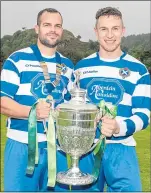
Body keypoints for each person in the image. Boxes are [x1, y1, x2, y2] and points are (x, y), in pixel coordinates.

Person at [0, 8, 104, 192]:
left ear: (61, 30)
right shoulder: (17, 60)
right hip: (22, 145)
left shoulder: (68, 66)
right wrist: (32, 112)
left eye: (57, 26)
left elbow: (71, 107)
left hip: (58, 148)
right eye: (47, 24)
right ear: (37, 28)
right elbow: (2, 102)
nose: (52, 30)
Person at [74, 7, 151, 192]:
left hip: (122, 150)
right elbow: (74, 108)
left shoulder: (139, 70)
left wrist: (118, 127)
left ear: (123, 30)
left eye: (115, 28)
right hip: (87, 151)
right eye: (104, 29)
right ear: (96, 31)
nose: (110, 35)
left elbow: (144, 115)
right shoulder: (81, 68)